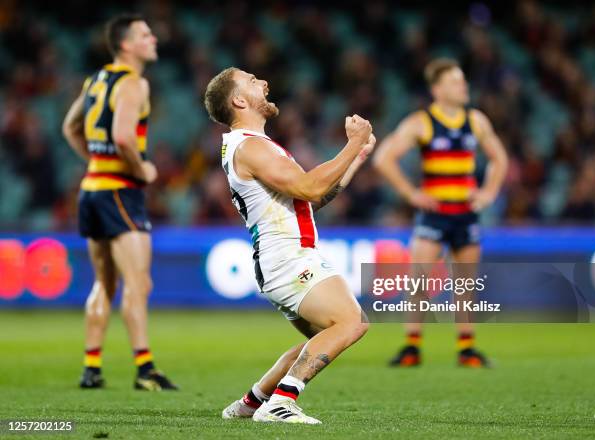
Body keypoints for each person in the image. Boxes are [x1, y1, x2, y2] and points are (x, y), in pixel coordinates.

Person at [204, 67, 375, 424]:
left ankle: (252, 402)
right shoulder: (250, 146)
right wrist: (353, 142)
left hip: (280, 258)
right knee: (351, 322)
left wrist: (355, 159)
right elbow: (311, 188)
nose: (264, 82)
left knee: (327, 335)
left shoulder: (252, 147)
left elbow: (312, 199)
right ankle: (281, 402)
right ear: (238, 100)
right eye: (252, 81)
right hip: (286, 257)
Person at [62, 14, 177, 390]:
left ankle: (90, 367)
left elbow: (70, 127)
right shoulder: (134, 84)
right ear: (127, 44)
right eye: (145, 34)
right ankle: (145, 369)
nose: (154, 38)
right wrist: (141, 169)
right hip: (119, 193)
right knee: (138, 282)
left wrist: (96, 163)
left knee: (103, 283)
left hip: (92, 188)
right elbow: (124, 137)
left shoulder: (95, 80)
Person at [373, 58, 508, 368]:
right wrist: (411, 194)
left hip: (466, 213)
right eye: (455, 82)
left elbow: (500, 159)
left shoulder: (476, 120)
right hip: (435, 214)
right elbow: (384, 158)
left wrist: (488, 193)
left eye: (463, 81)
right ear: (437, 89)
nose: (464, 86)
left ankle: (466, 348)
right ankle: (412, 346)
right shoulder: (421, 122)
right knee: (419, 281)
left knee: (464, 284)